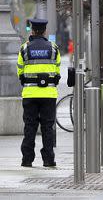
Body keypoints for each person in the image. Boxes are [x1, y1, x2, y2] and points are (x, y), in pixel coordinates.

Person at [17, 18, 61, 168]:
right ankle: (48, 159)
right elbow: (57, 72)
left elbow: (20, 72)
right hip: (48, 95)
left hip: (30, 94)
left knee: (30, 126)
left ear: (33, 30)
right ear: (44, 31)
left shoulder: (24, 49)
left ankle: (27, 159)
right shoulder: (53, 48)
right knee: (47, 127)